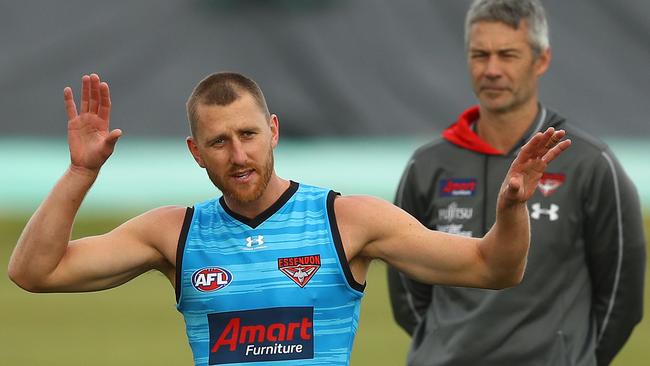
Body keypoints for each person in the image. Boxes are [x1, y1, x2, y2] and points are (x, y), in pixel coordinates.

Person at [8, 71, 569, 366]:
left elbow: (493, 267)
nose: (238, 154)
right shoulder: (173, 233)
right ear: (195, 151)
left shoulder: (346, 220)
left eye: (248, 134)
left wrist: (512, 208)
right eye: (219, 142)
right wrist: (81, 173)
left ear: (273, 131)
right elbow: (34, 272)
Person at [387, 1, 646, 365]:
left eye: (507, 55)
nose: (492, 70)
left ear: (541, 60)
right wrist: (443, 347)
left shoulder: (590, 164)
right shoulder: (427, 166)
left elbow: (622, 294)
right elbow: (406, 292)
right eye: (480, 55)